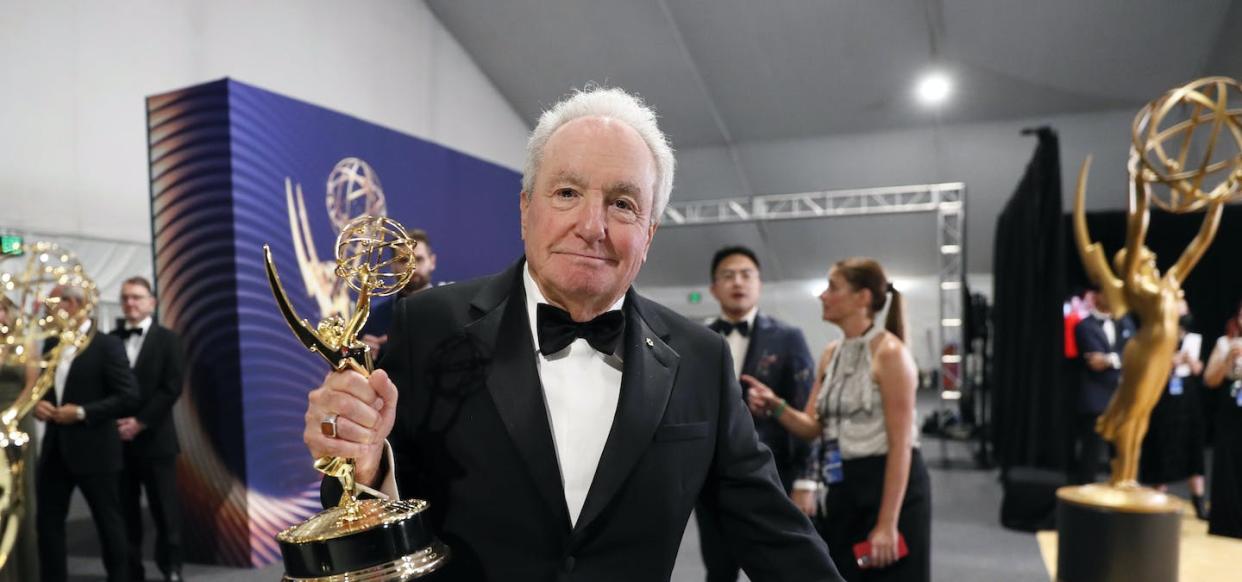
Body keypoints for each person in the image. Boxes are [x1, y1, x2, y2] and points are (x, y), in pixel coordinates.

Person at [302, 86, 842, 581]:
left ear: (649, 233)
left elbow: (774, 535)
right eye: (566, 193)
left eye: (623, 204)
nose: (592, 226)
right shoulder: (430, 326)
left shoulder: (700, 357)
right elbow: (365, 506)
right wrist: (362, 462)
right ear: (525, 209)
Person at [747, 258, 931, 582]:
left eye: (832, 287)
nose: (822, 295)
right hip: (843, 486)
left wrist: (887, 524)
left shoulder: (890, 353)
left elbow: (901, 446)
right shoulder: (831, 353)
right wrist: (776, 406)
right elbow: (812, 427)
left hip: (888, 487)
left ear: (862, 298)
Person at [696, 245, 815, 582]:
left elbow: (807, 412)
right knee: (718, 570)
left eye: (746, 274)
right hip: (710, 479)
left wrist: (807, 479)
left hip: (774, 476)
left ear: (759, 284)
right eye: (728, 275)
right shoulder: (696, 339)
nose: (738, 282)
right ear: (713, 288)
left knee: (781, 570)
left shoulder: (789, 338)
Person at [33, 284, 139, 582]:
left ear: (76, 304)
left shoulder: (107, 345)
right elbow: (46, 390)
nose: (49, 309)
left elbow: (129, 396)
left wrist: (82, 412)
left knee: (109, 524)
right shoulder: (51, 343)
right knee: (48, 525)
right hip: (55, 449)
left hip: (96, 450)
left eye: (55, 303)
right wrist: (40, 406)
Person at [111, 276, 186, 582]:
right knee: (125, 512)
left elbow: (172, 388)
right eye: (126, 297)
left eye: (137, 297)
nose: (130, 303)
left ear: (152, 302)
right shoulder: (110, 339)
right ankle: (132, 571)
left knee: (165, 511)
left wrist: (139, 423)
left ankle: (171, 569)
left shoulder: (169, 339)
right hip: (117, 442)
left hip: (156, 440)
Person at [1138, 300, 1207, 519]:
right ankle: (1159, 496)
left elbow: (1198, 370)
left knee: (1193, 445)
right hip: (1163, 393)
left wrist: (1190, 361)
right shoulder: (1158, 337)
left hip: (1186, 395)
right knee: (1162, 442)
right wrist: (1171, 362)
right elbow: (1151, 367)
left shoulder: (1194, 339)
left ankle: (1198, 499)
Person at [1071, 286, 1135, 484]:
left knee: (1122, 451)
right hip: (1096, 398)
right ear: (1096, 295)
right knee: (1091, 452)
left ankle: (1121, 489)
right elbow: (1095, 362)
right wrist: (1120, 358)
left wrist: (1111, 359)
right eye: (1107, 293)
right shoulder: (1084, 326)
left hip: (1122, 397)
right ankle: (1084, 495)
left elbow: (1135, 353)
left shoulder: (1125, 322)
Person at [0, 300, 38, 582]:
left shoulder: (26, 341)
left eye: (1, 308)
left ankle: (22, 573)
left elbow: (32, 386)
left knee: (18, 495)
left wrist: (9, 418)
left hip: (17, 422)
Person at [360, 228, 437, 354]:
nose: (412, 267)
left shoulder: (450, 309)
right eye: (403, 260)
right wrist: (362, 353)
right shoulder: (373, 315)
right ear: (392, 266)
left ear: (432, 262)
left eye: (418, 259)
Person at [1204, 299, 1242, 538]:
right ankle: (1226, 523)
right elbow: (1210, 380)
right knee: (1228, 464)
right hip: (1231, 408)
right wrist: (1228, 359)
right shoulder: (1225, 342)